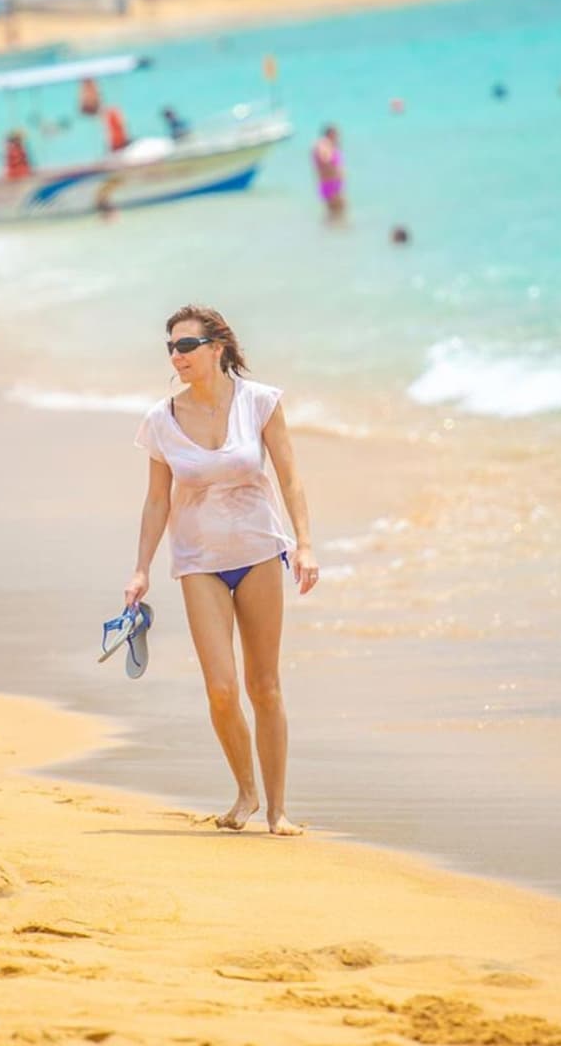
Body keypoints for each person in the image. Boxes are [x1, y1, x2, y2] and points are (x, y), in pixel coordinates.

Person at [127, 305, 319, 836]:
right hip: (198, 563)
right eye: (170, 347)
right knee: (220, 688)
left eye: (186, 346)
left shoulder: (260, 403)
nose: (176, 356)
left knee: (264, 685)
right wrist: (140, 569)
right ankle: (245, 792)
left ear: (216, 349)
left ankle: (278, 809)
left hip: (259, 552)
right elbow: (155, 503)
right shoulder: (160, 420)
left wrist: (304, 545)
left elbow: (290, 478)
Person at [311, 125, 344, 222]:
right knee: (337, 212)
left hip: (330, 182)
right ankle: (333, 233)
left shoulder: (326, 144)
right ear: (331, 134)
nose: (337, 137)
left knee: (334, 213)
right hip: (330, 182)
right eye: (336, 134)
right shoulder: (324, 144)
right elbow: (324, 159)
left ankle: (329, 233)